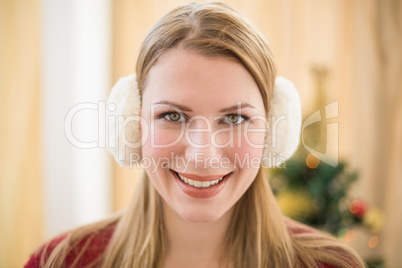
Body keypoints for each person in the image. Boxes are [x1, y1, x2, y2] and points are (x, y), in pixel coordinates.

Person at [25, 2, 365, 267]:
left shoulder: (330, 266)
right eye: (172, 115)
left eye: (234, 118)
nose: (203, 154)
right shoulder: (60, 262)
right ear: (132, 125)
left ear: (274, 130)